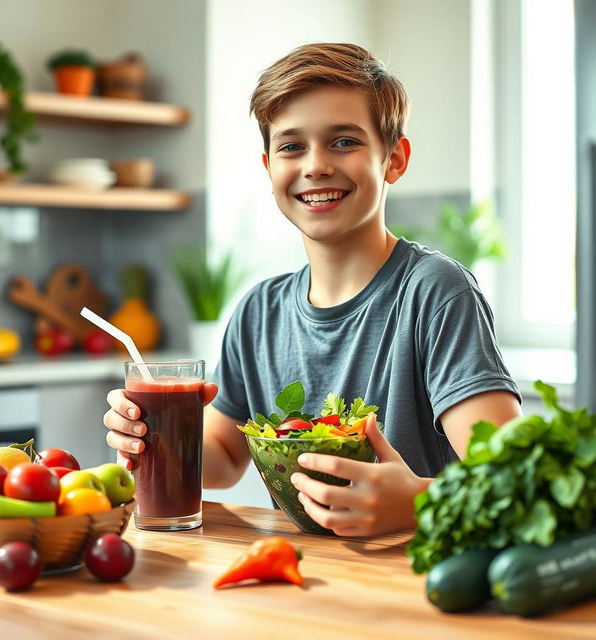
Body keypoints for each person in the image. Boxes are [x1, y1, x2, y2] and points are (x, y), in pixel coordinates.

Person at [104, 42, 522, 536]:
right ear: (269, 168)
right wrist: (150, 435)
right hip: (306, 585)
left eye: (344, 141)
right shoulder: (259, 312)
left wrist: (421, 502)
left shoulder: (435, 293)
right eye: (291, 146)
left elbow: (515, 479)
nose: (315, 165)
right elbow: (220, 459)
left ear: (394, 158)